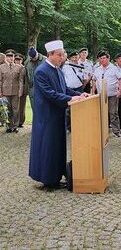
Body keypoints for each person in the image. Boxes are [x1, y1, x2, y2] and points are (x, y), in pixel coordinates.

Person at [29, 40, 87, 189]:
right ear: (50, 55)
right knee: (48, 147)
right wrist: (69, 99)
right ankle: (48, 180)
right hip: (47, 117)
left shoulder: (58, 70)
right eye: (59, 55)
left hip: (57, 114)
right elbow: (50, 94)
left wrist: (80, 95)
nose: (62, 58)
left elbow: (64, 89)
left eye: (62, 55)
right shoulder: (41, 71)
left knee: (58, 146)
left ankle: (56, 176)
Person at [93, 51, 121, 137]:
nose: (102, 60)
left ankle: (116, 131)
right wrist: (93, 92)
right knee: (102, 113)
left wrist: (119, 91)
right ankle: (103, 130)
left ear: (108, 58)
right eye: (101, 58)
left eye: (104, 58)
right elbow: (94, 80)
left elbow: (120, 79)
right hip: (101, 95)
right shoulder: (97, 69)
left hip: (112, 95)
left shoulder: (114, 68)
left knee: (113, 113)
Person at [0, 49, 24, 133]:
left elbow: (21, 80)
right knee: (8, 109)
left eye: (12, 57)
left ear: (14, 58)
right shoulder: (1, 67)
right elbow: (0, 80)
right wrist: (0, 91)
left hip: (16, 91)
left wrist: (20, 91)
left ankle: (15, 126)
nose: (10, 58)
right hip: (5, 91)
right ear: (5, 58)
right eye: (8, 57)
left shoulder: (19, 67)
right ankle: (9, 126)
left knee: (16, 109)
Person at [62, 51, 84, 132]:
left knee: (79, 108)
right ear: (70, 58)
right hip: (69, 89)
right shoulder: (65, 66)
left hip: (79, 88)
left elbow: (84, 78)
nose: (75, 59)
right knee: (68, 109)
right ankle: (68, 127)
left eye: (76, 57)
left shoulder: (80, 66)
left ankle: (78, 126)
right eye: (73, 57)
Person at [24, 47, 46, 111]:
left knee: (43, 107)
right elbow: (26, 76)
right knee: (34, 108)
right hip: (32, 88)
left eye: (35, 57)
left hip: (43, 87)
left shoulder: (45, 60)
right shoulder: (27, 63)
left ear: (37, 53)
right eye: (32, 58)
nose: (34, 59)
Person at [14, 53, 27, 128]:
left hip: (23, 90)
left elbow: (26, 80)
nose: (18, 61)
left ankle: (21, 122)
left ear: (22, 60)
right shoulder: (12, 68)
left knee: (22, 107)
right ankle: (14, 122)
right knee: (15, 107)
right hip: (14, 90)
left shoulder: (24, 68)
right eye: (16, 59)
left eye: (19, 60)